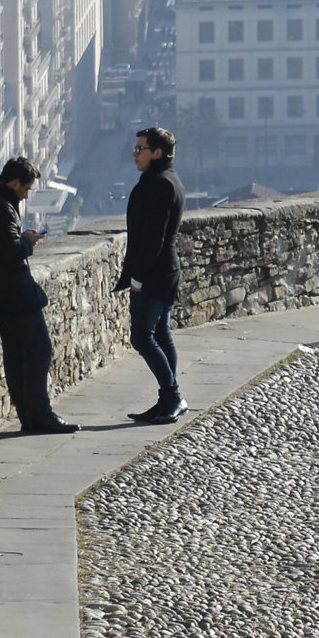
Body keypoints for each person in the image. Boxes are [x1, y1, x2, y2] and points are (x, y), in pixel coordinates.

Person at [0, 158, 79, 435]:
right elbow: (11, 252)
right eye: (26, 189)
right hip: (16, 293)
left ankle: (28, 417)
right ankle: (42, 416)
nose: (26, 195)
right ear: (14, 183)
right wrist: (27, 240)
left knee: (15, 356)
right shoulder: (2, 208)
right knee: (39, 351)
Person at [117, 124, 187, 425]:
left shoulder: (160, 184)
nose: (134, 154)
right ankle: (166, 400)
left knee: (142, 337)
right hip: (164, 271)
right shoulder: (164, 179)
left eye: (140, 149)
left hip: (155, 274)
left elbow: (154, 238)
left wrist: (138, 278)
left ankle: (172, 397)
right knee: (160, 334)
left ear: (156, 152)